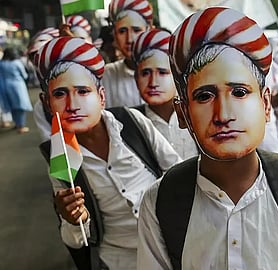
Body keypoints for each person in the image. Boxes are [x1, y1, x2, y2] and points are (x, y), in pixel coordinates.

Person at [137, 7, 278, 269]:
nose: (224, 114)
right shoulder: (159, 201)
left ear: (265, 104)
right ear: (183, 113)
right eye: (204, 96)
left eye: (239, 92)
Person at [34, 36, 182, 269]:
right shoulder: (61, 158)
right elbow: (77, 238)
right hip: (119, 261)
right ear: (46, 103)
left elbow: (177, 172)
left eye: (83, 91)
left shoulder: (132, 121)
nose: (72, 105)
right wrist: (74, 219)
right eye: (60, 94)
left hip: (171, 249)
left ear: (101, 97)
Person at [132, 28, 198, 159]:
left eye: (162, 72)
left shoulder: (196, 114)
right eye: (145, 73)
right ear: (136, 78)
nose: (153, 82)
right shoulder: (130, 123)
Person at [102, 0, 153, 108]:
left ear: (150, 31)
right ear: (114, 35)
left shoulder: (171, 71)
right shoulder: (106, 76)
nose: (129, 39)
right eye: (122, 31)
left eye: (136, 30)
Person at [0, 47, 33, 134]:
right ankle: (21, 126)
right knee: (21, 106)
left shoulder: (2, 63)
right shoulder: (16, 63)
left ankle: (17, 123)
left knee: (13, 106)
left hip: (5, 86)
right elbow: (24, 75)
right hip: (18, 85)